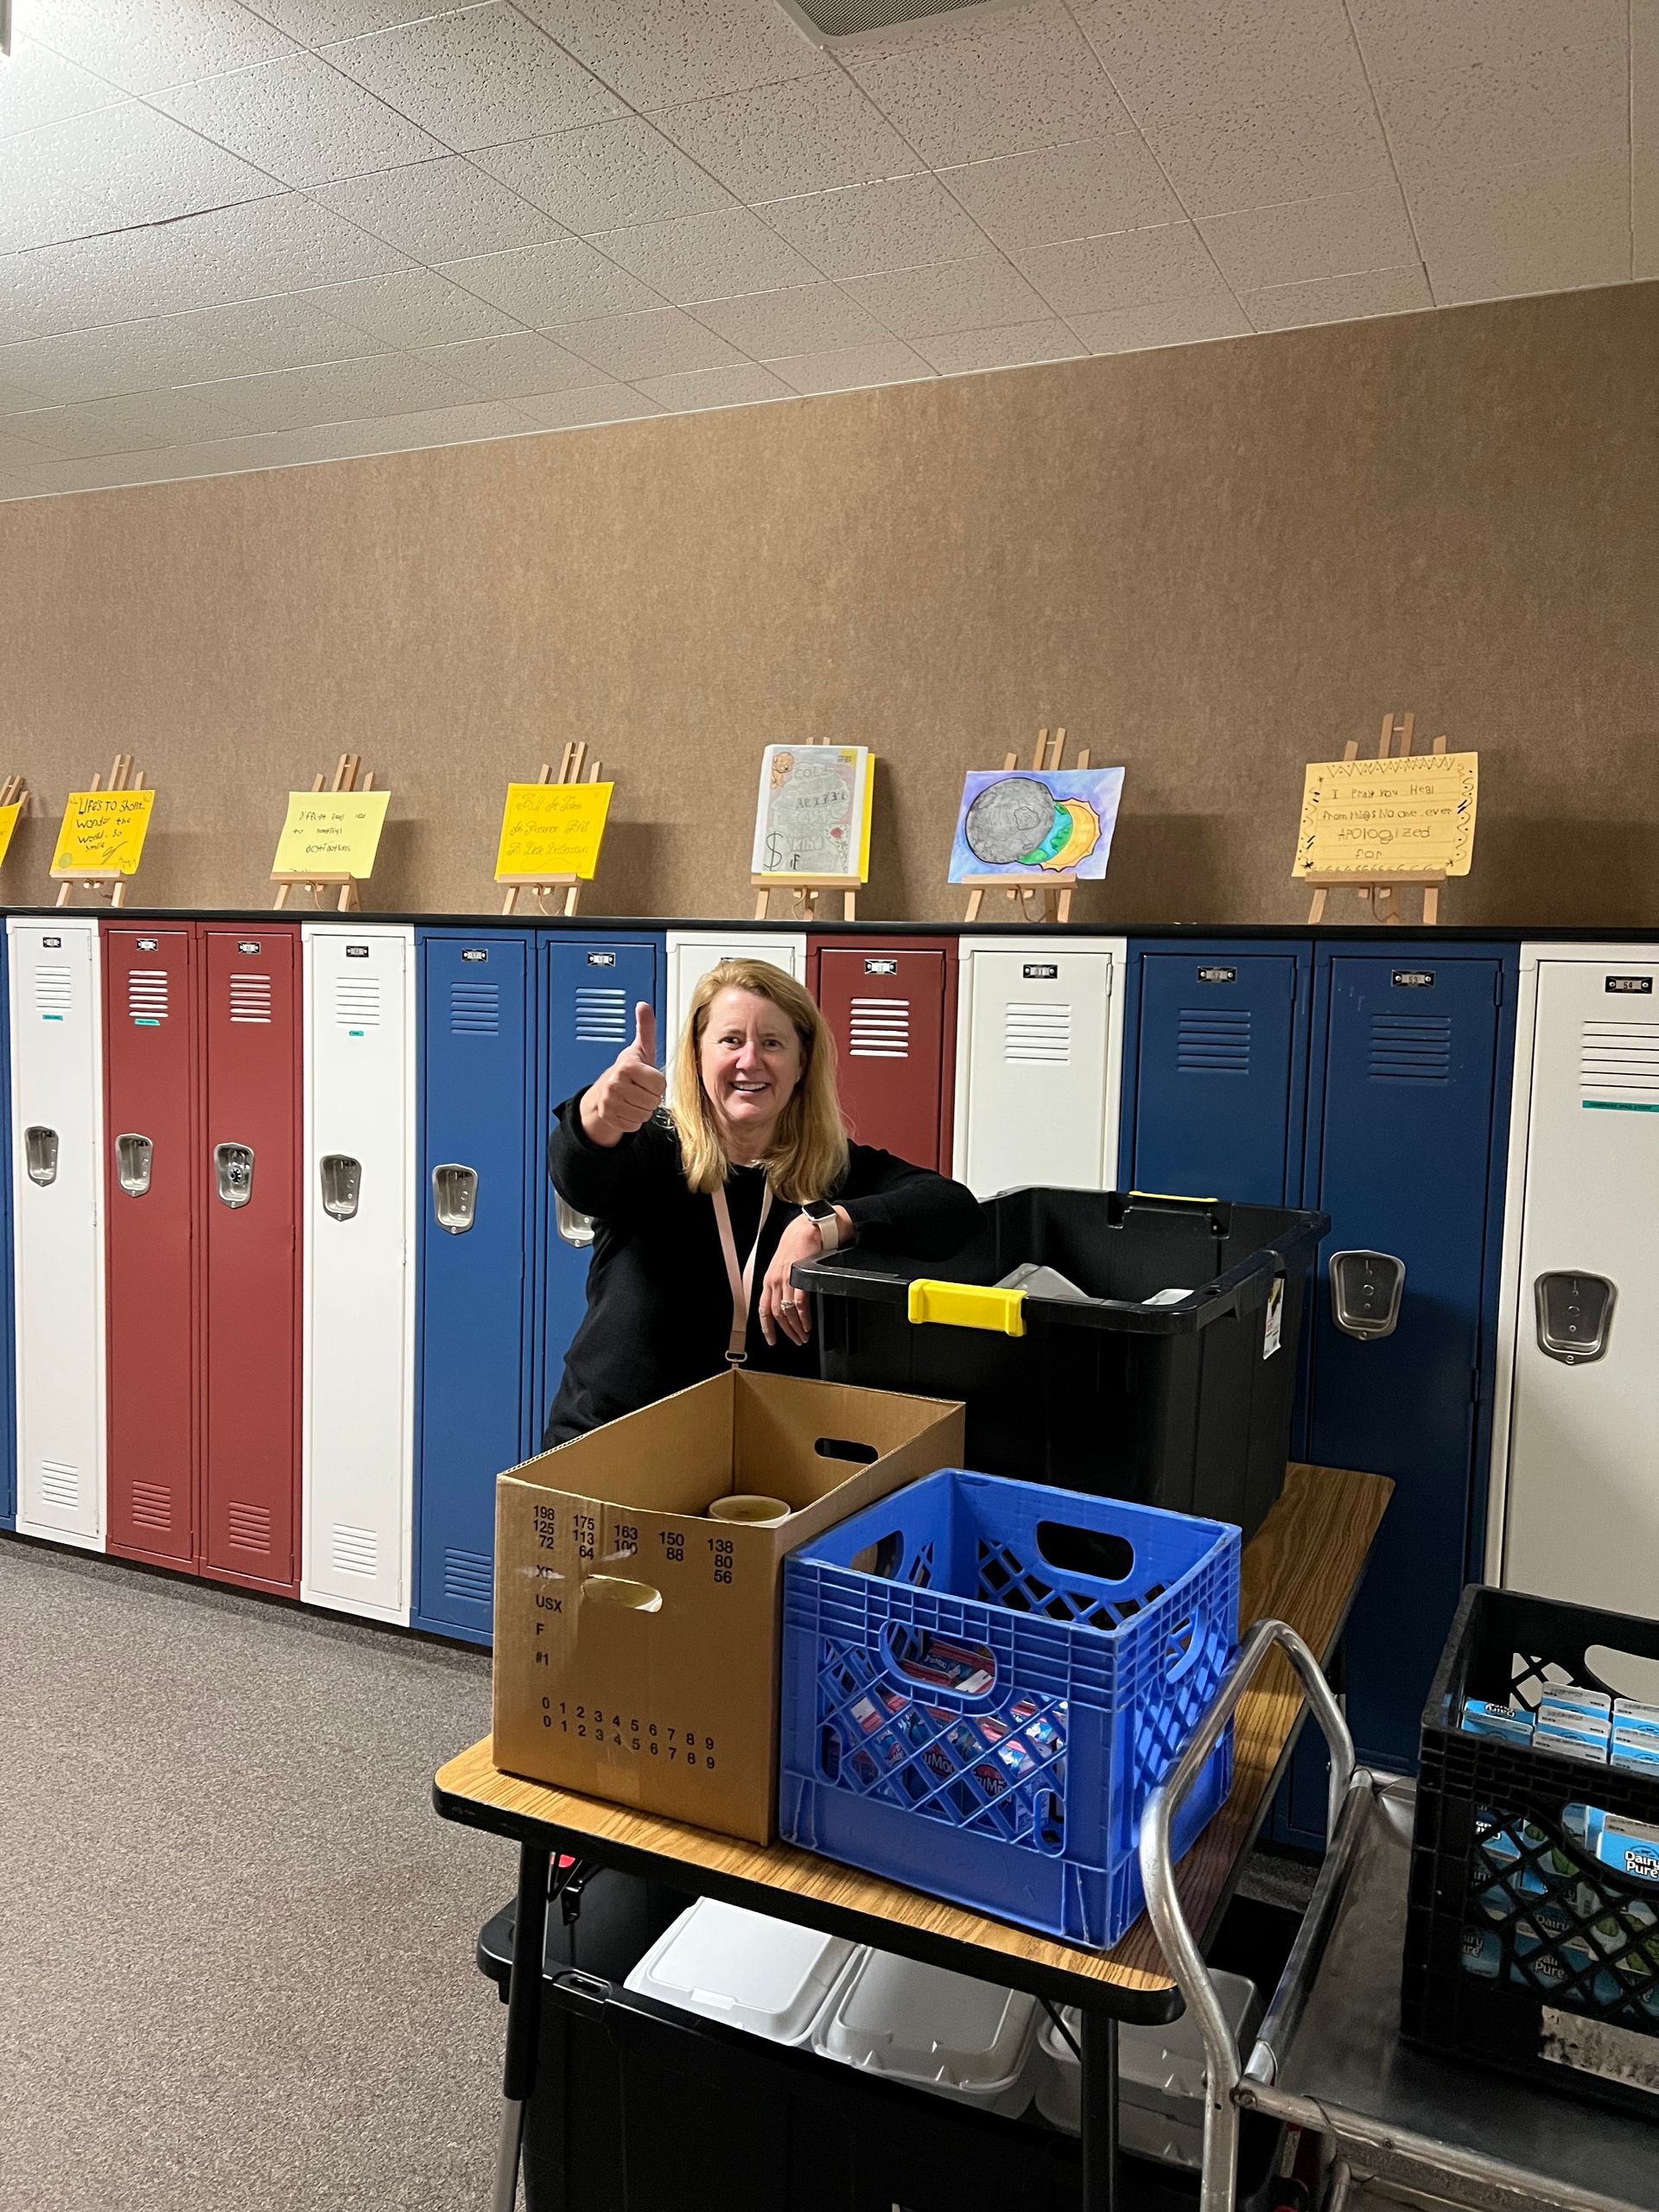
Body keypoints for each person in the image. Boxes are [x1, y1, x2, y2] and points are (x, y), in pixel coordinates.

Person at [543, 957, 981, 1443]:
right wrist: (600, 1114)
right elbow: (580, 1175)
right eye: (730, 1040)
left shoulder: (834, 1171)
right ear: (697, 1056)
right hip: (615, 1439)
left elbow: (955, 1210)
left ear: (801, 1064)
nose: (749, 1061)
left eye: (772, 1043)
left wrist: (822, 1224)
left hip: (764, 1450)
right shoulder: (651, 1150)